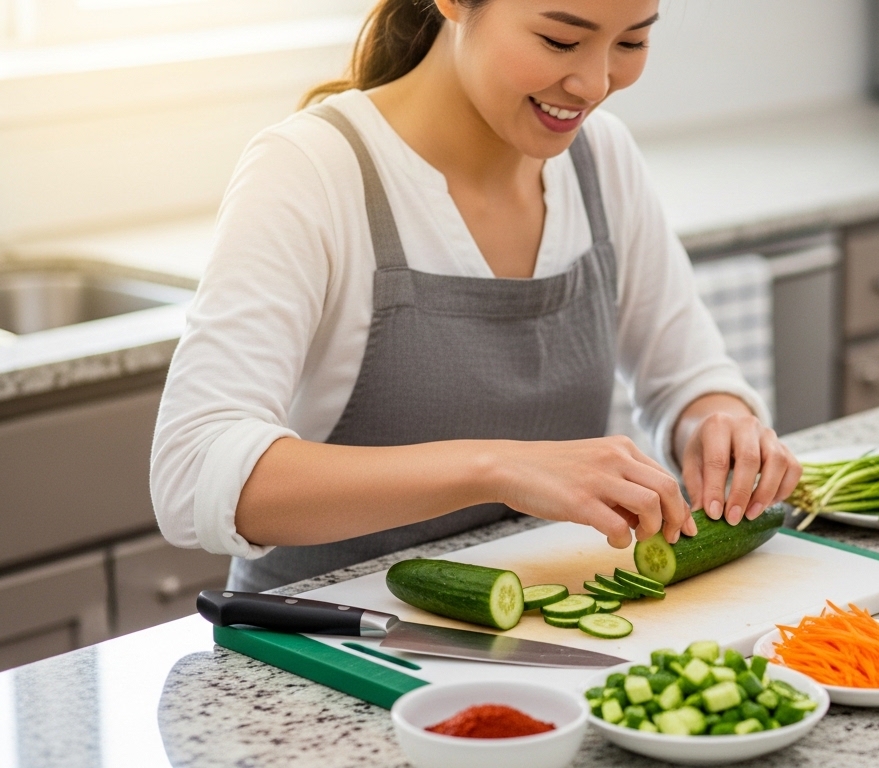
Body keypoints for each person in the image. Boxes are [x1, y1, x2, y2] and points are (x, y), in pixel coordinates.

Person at [150, 0, 802, 592]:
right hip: (318, 650)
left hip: (532, 632)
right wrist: (496, 467)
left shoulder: (601, 159)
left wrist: (717, 422)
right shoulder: (311, 170)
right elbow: (194, 475)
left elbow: (685, 377)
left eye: (630, 44)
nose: (595, 84)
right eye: (558, 40)